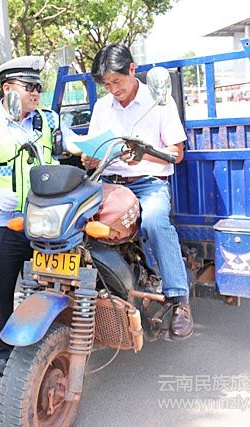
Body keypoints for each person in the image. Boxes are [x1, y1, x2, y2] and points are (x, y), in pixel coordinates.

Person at [0, 56, 82, 376]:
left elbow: (76, 146)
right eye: (30, 87)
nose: (36, 93)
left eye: (39, 87)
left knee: (51, 286)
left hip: (47, 224)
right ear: (8, 88)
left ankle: (46, 342)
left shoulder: (48, 121)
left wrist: (93, 147)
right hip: (3, 224)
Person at [81, 43, 193, 340]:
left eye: (117, 81)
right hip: (110, 183)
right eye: (107, 85)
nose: (113, 89)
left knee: (155, 221)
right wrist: (90, 158)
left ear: (132, 70)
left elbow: (176, 153)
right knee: (75, 220)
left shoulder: (159, 102)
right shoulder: (102, 107)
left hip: (148, 183)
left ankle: (179, 300)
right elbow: (96, 147)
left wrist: (144, 154)